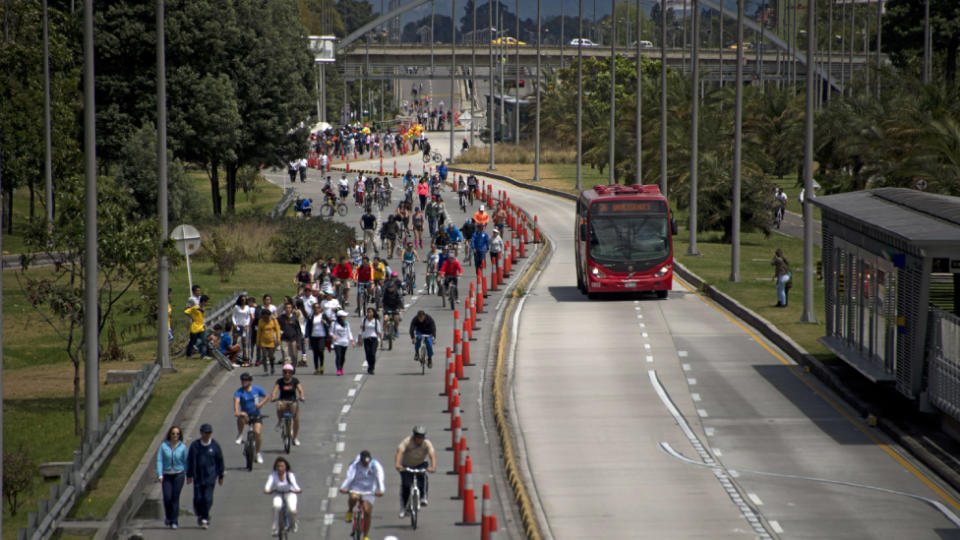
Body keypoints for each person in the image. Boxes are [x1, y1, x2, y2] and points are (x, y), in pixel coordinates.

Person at [186, 423, 225, 529]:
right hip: (198, 477)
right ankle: (200, 514)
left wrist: (220, 475)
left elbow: (220, 461)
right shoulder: (195, 446)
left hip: (210, 477)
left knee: (207, 498)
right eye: (205, 432)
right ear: (201, 433)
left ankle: (205, 518)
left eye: (209, 433)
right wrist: (189, 475)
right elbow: (190, 461)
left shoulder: (215, 446)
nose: (207, 435)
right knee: (198, 499)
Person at [340, 450, 385, 539]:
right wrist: (343, 487)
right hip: (356, 487)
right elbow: (349, 477)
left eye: (367, 462)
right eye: (364, 462)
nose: (365, 464)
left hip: (369, 489)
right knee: (353, 497)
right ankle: (350, 510)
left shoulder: (375, 465)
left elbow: (380, 478)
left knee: (367, 511)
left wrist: (381, 490)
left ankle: (366, 536)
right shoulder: (355, 465)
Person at [394, 425, 437, 518]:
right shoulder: (407, 441)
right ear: (414, 436)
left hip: (420, 464)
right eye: (417, 436)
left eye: (421, 437)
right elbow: (399, 452)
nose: (419, 439)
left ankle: (423, 497)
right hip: (407, 465)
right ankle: (403, 508)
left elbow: (432, 455)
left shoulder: (427, 443)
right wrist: (397, 464)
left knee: (423, 477)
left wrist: (433, 467)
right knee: (405, 486)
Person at [157, 425, 187, 529]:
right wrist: (160, 474)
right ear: (170, 434)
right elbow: (159, 460)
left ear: (180, 435)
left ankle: (174, 520)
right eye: (173, 433)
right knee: (167, 497)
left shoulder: (182, 447)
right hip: (167, 475)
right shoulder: (163, 446)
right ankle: (168, 517)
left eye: (177, 434)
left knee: (175, 497)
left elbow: (185, 461)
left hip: (179, 474)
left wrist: (188, 474)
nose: (175, 435)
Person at [233, 372, 268, 462]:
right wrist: (237, 411)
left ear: (250, 381)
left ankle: (258, 453)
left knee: (257, 432)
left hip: (256, 414)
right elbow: (236, 401)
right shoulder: (239, 391)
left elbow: (267, 396)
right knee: (241, 416)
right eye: (242, 380)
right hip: (246, 415)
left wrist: (261, 404)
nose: (244, 382)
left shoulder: (256, 389)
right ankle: (240, 435)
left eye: (246, 380)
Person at [264, 457, 302, 535]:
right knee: (276, 506)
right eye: (278, 466)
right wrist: (267, 490)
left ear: (285, 467)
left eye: (282, 466)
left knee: (291, 509)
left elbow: (295, 485)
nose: (280, 468)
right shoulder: (273, 475)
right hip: (278, 494)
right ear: (276, 467)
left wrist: (297, 489)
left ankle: (293, 524)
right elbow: (268, 486)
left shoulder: (290, 475)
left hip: (290, 494)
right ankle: (275, 529)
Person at [270, 364, 305, 445]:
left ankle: (295, 438)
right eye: (285, 372)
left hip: (293, 401)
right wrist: (273, 397)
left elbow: (300, 390)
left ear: (292, 373)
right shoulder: (279, 381)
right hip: (283, 401)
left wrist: (302, 397)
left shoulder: (295, 381)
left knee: (296, 420)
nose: (287, 374)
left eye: (289, 372)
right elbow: (275, 391)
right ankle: (280, 421)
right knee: (279, 405)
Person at [184, 295, 211, 359]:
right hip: (195, 328)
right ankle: (188, 355)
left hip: (201, 328)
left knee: (204, 341)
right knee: (192, 342)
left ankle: (203, 355)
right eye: (206, 302)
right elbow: (186, 312)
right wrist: (191, 317)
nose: (206, 303)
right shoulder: (196, 307)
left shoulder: (203, 308)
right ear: (203, 301)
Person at [307, 304, 330, 375]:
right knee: (315, 353)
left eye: (318, 307)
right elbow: (308, 327)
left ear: (320, 309)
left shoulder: (323, 316)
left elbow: (329, 324)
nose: (316, 309)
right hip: (313, 336)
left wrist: (325, 322)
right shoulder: (311, 317)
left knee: (321, 350)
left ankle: (322, 365)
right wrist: (306, 336)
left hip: (322, 336)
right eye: (315, 308)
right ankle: (316, 368)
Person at [256, 309, 281, 375]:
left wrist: (278, 339)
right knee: (264, 356)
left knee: (271, 356)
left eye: (267, 317)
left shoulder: (273, 320)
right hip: (263, 342)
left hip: (272, 342)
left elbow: (278, 330)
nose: (265, 318)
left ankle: (272, 367)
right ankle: (265, 370)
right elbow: (259, 332)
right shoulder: (261, 321)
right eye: (264, 317)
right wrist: (257, 342)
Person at [359, 308, 383, 374]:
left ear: (373, 313)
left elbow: (379, 332)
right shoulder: (364, 320)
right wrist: (360, 339)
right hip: (366, 339)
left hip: (374, 339)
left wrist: (381, 341)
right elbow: (361, 330)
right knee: (367, 355)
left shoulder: (376, 321)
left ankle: (371, 368)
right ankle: (370, 365)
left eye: (370, 312)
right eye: (368, 312)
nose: (369, 314)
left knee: (372, 354)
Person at [331, 310, 355, 376]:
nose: (345, 317)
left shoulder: (346, 323)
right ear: (340, 317)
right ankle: (338, 369)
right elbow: (331, 332)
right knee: (338, 356)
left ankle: (341, 367)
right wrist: (333, 336)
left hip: (344, 342)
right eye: (343, 316)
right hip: (337, 342)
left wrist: (352, 341)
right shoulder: (334, 323)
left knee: (343, 356)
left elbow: (349, 332)